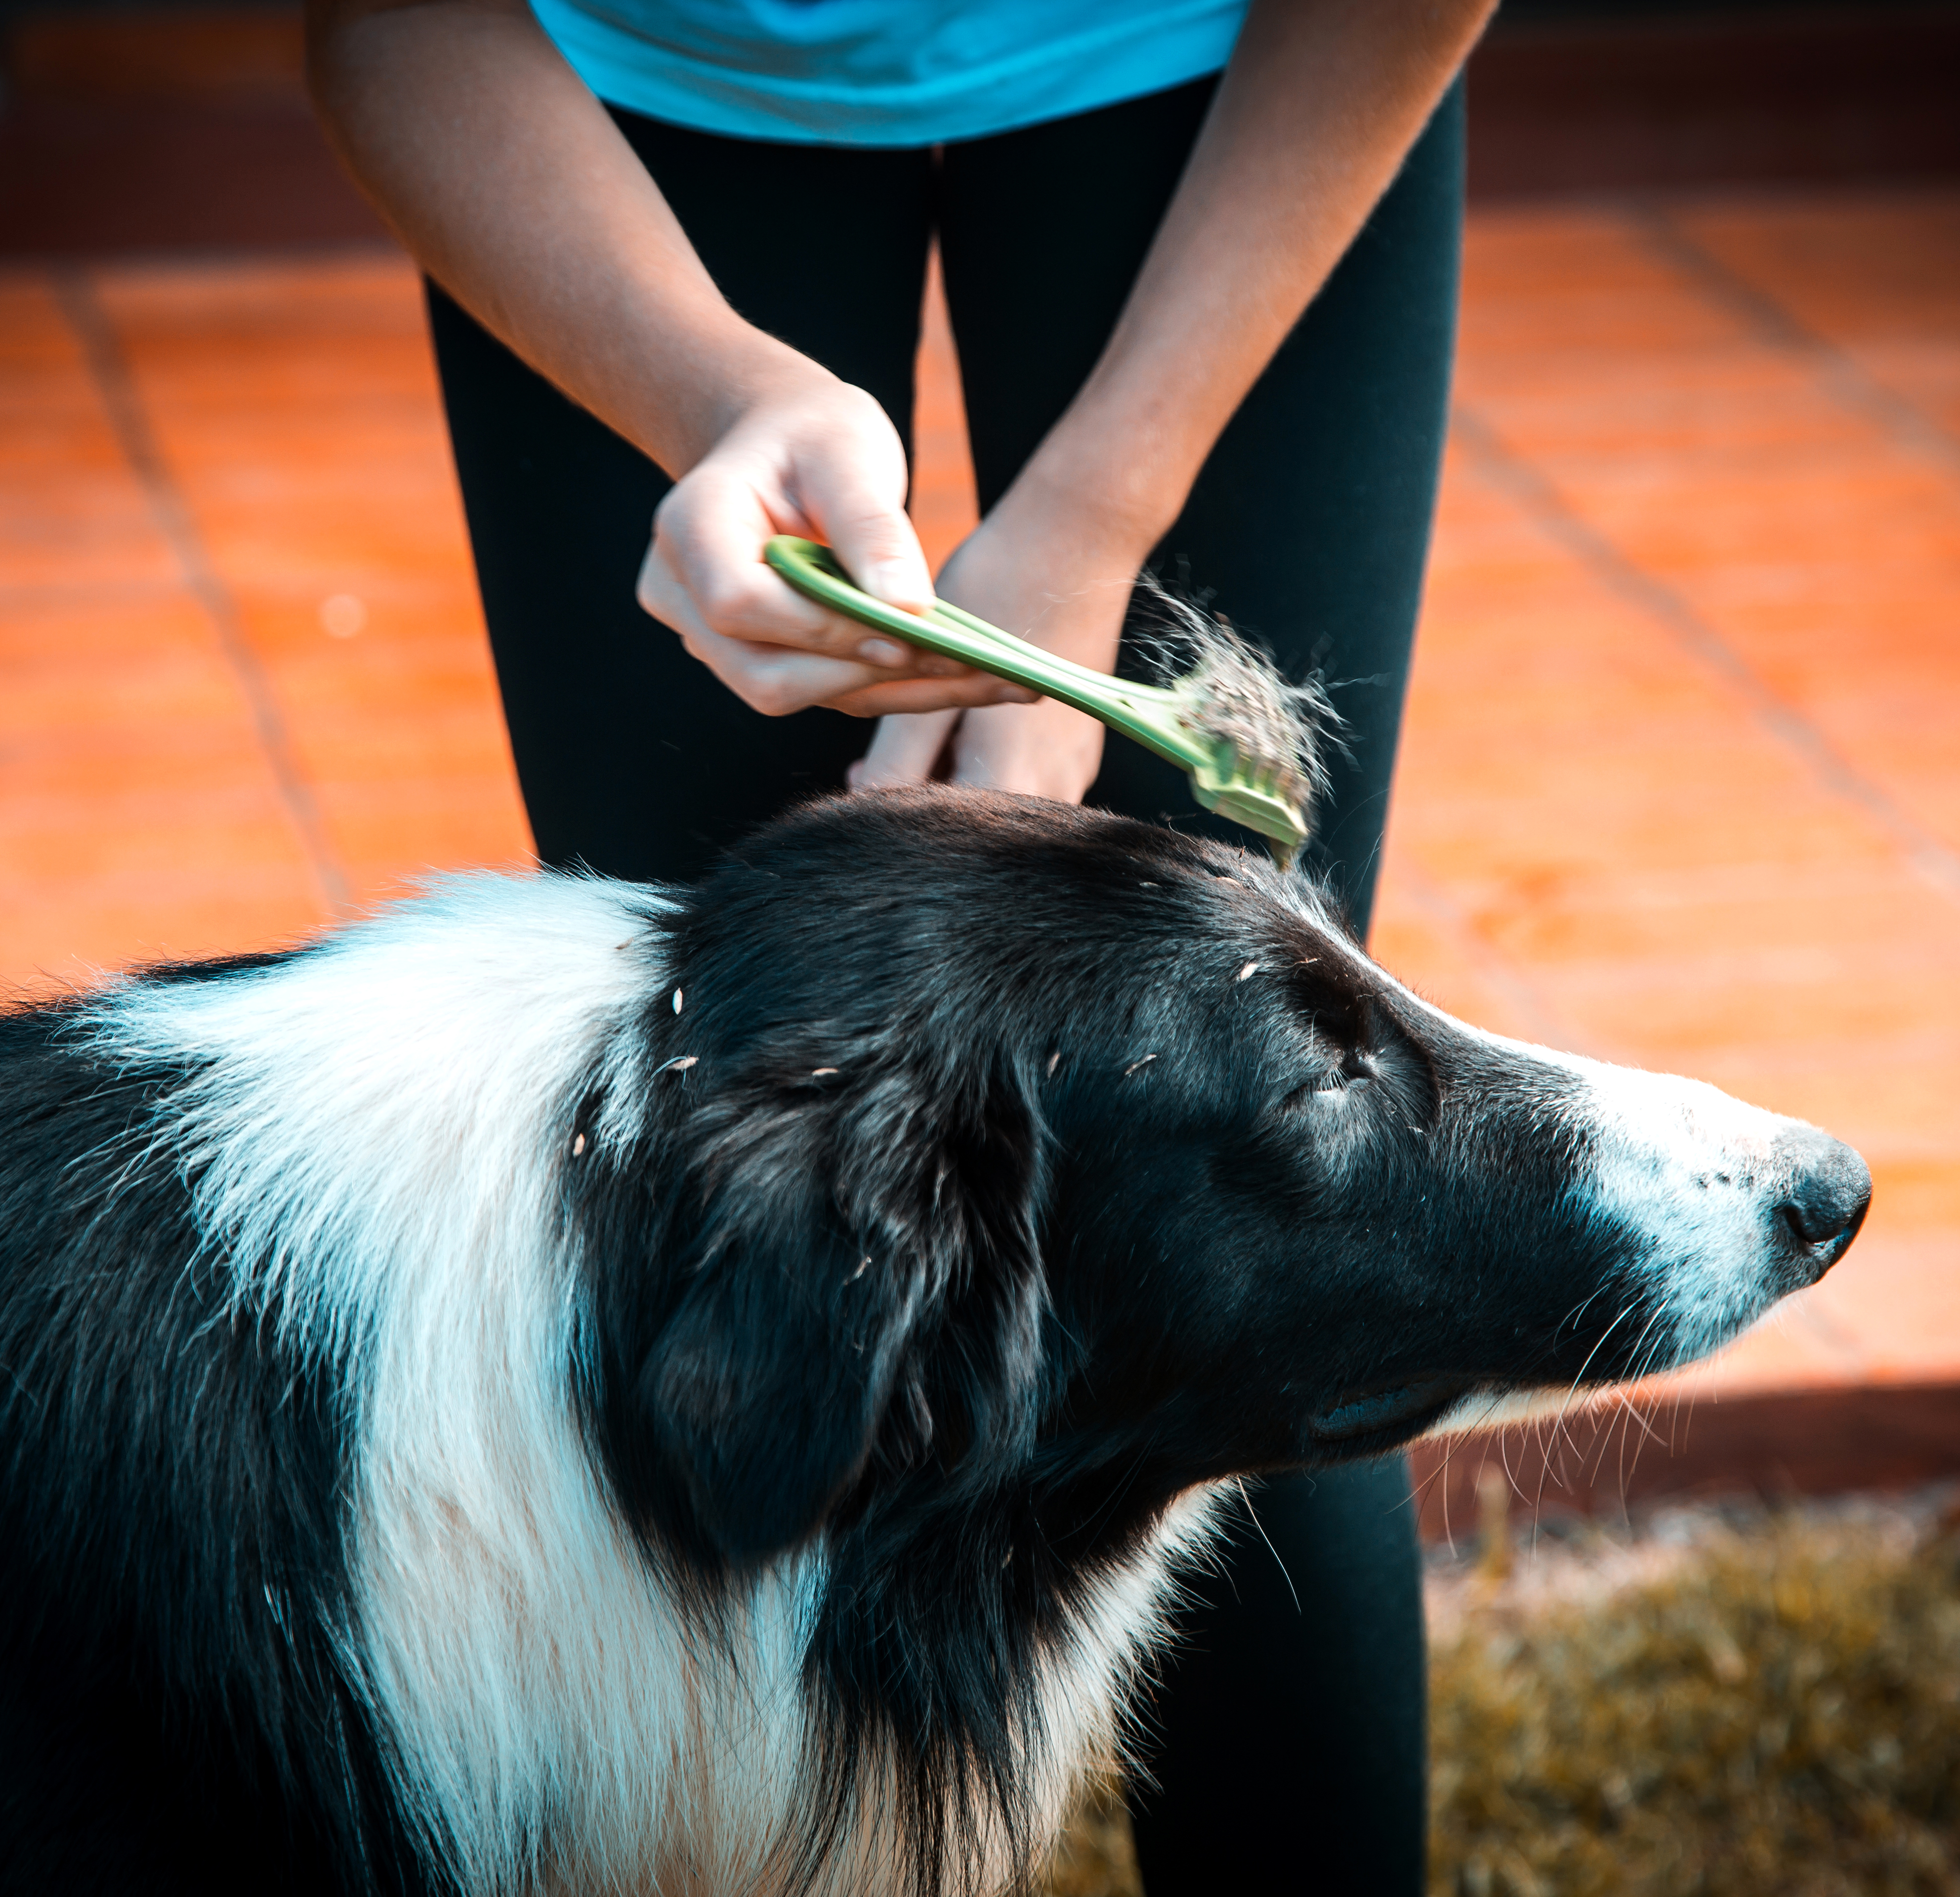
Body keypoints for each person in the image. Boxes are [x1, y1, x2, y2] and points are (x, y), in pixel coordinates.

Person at [307, 1, 1493, 1885]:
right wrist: (719, 401)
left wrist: (1100, 507)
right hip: (624, 105)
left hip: (1214, 79)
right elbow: (390, 27)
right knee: (739, 1196)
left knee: (1271, 1183)